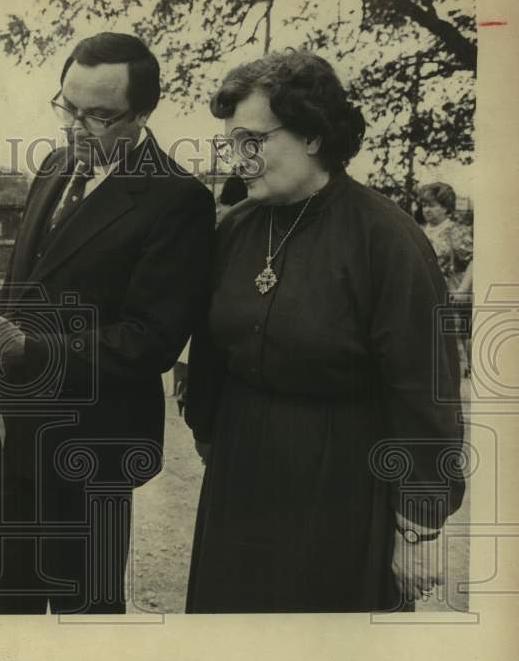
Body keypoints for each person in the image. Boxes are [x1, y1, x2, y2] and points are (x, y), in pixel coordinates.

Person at [0, 32, 216, 614]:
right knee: (5, 602)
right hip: (18, 423)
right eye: (66, 107)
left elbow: (151, 338)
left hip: (95, 442)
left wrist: (31, 350)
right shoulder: (54, 166)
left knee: (82, 619)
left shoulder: (178, 199)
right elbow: (30, 282)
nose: (74, 127)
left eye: (98, 116)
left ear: (142, 114)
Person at [183, 50, 466, 613]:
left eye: (252, 140)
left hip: (343, 477)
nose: (238, 158)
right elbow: (211, 349)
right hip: (241, 468)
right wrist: (208, 428)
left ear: (312, 135)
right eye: (230, 142)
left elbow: (424, 392)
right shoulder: (236, 228)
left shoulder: (386, 238)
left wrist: (418, 528)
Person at [418, 182, 473, 377]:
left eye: (432, 205)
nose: (427, 210)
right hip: (422, 297)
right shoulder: (418, 231)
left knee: (450, 349)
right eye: (424, 205)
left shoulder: (455, 232)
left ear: (445, 207)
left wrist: (463, 289)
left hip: (447, 298)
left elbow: (475, 260)